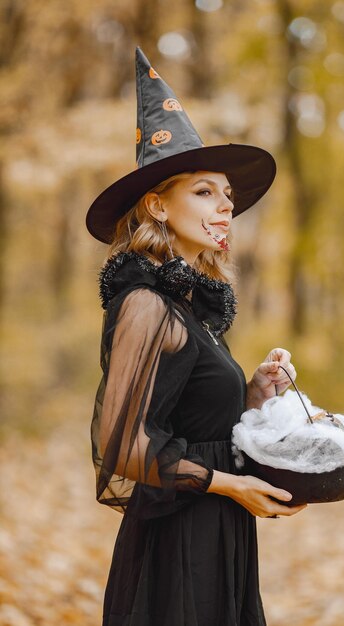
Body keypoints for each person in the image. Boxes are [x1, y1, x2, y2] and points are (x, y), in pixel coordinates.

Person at [86, 47, 307, 626]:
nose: (226, 207)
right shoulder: (144, 304)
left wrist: (254, 392)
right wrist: (230, 487)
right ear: (157, 205)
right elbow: (125, 445)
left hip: (216, 533)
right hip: (178, 546)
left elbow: (193, 424)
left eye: (229, 196)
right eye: (205, 192)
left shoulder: (189, 308)